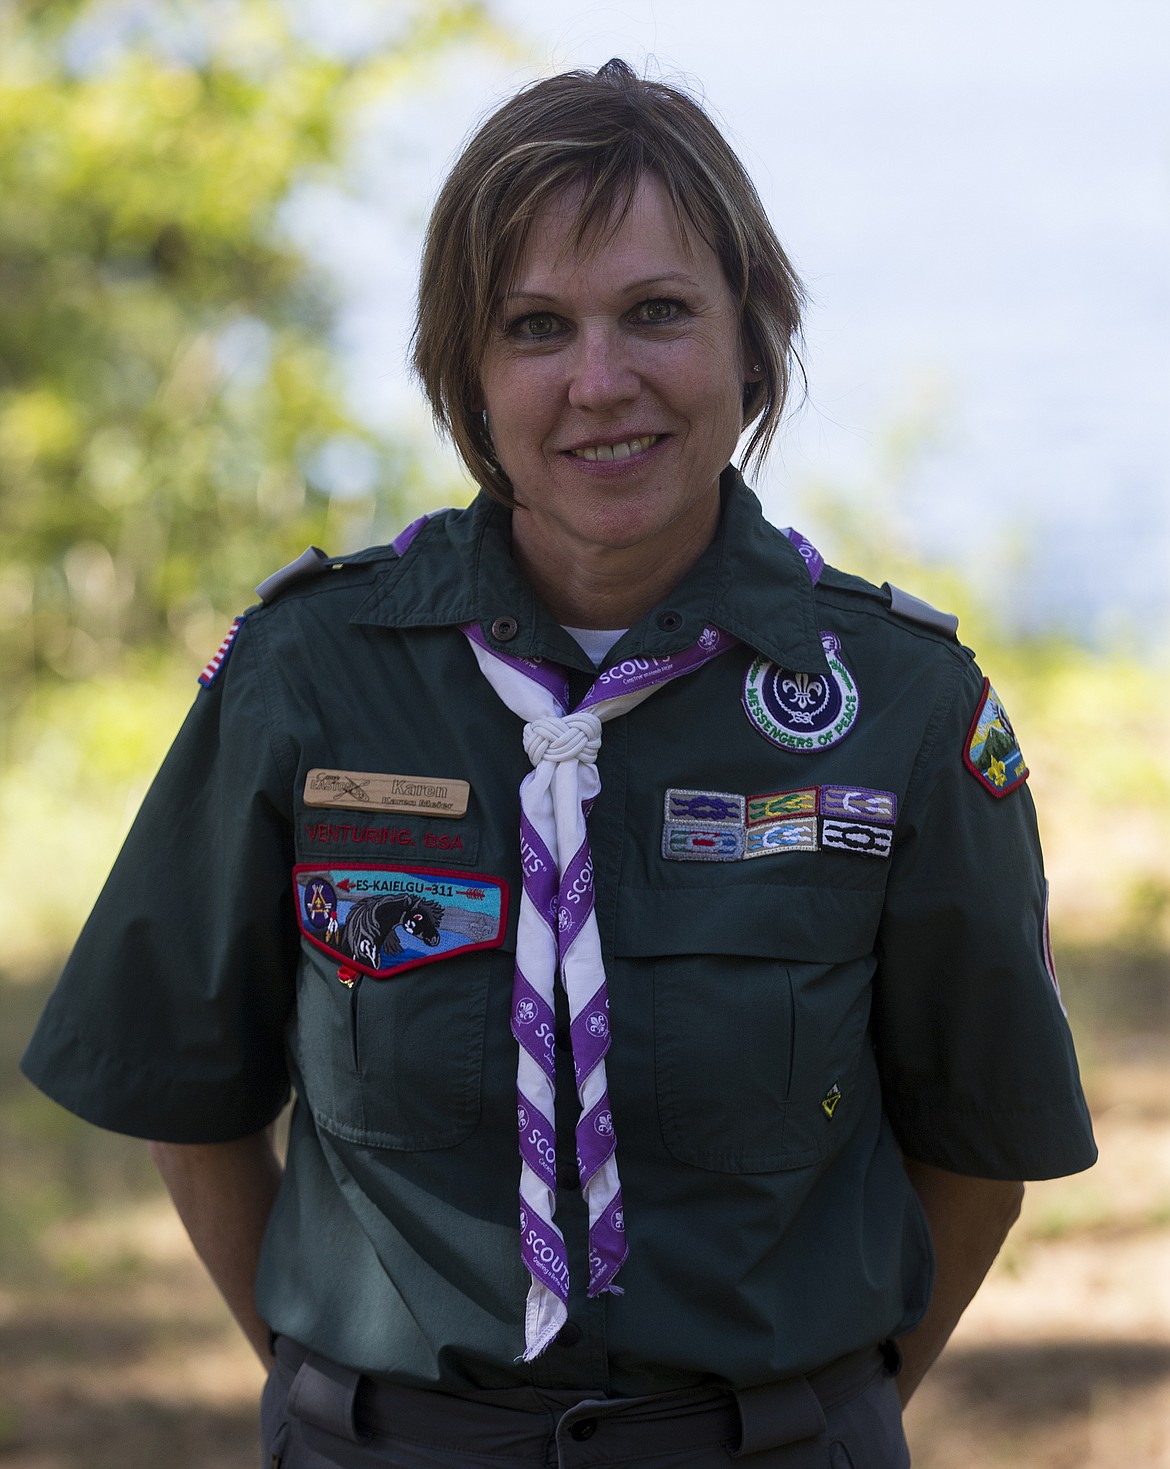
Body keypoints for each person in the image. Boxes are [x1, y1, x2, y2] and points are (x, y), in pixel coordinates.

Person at [22, 58, 1096, 1469]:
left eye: (657, 311)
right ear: (465, 370)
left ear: (750, 340)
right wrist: (331, 1402)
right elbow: (190, 1103)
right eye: (535, 326)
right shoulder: (312, 675)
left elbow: (977, 1146)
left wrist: (813, 1422)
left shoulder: (892, 703)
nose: (600, 383)